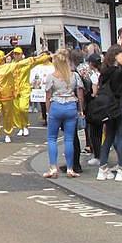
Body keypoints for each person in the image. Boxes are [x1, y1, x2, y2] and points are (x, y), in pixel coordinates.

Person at [42, 50, 85, 178]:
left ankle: (53, 168)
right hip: (71, 106)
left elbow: (48, 96)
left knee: (52, 138)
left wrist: (48, 112)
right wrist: (80, 109)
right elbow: (80, 94)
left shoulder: (51, 77)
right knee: (69, 139)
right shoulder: (74, 76)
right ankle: (70, 169)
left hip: (56, 106)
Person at [96, 45, 122, 182]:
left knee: (108, 137)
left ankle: (103, 168)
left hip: (107, 108)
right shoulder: (120, 72)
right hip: (120, 106)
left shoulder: (104, 72)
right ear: (115, 57)